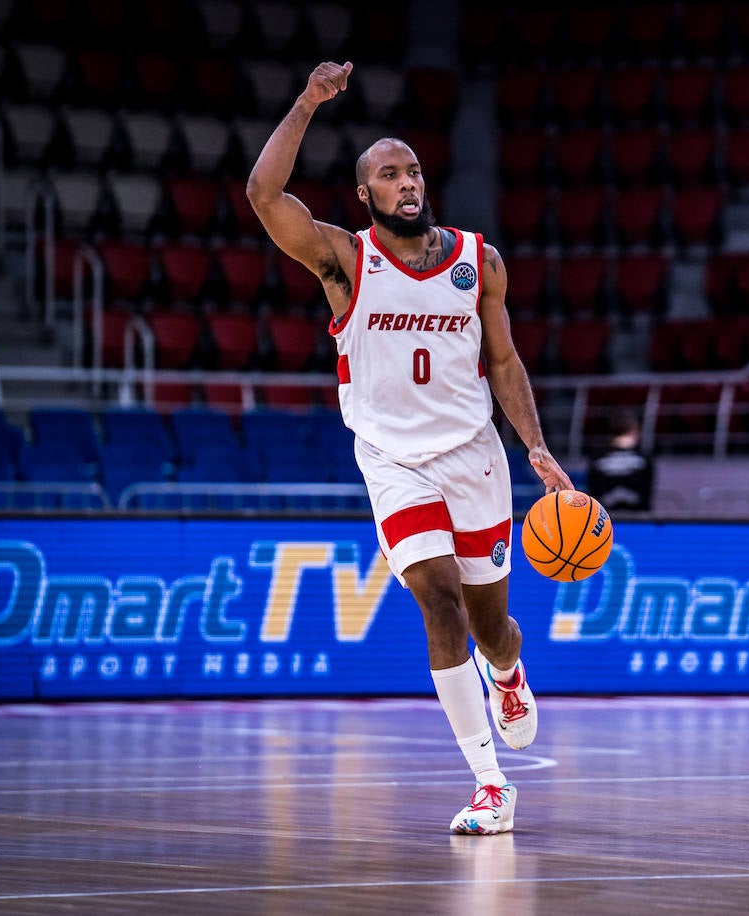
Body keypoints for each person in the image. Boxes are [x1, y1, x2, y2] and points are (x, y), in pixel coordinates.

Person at [247, 61, 574, 836]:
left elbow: (502, 361)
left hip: (473, 456)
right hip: (392, 459)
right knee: (436, 598)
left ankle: (508, 670)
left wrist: (535, 446)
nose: (407, 181)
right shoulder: (345, 259)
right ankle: (491, 784)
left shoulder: (477, 261)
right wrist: (306, 102)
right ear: (365, 195)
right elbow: (264, 196)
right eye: (389, 174)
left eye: (414, 169)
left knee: (491, 623)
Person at [587, 413, 655, 512]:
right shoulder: (644, 457)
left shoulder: (597, 456)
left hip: (603, 517)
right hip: (638, 519)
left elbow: (592, 490)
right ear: (634, 431)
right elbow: (647, 494)